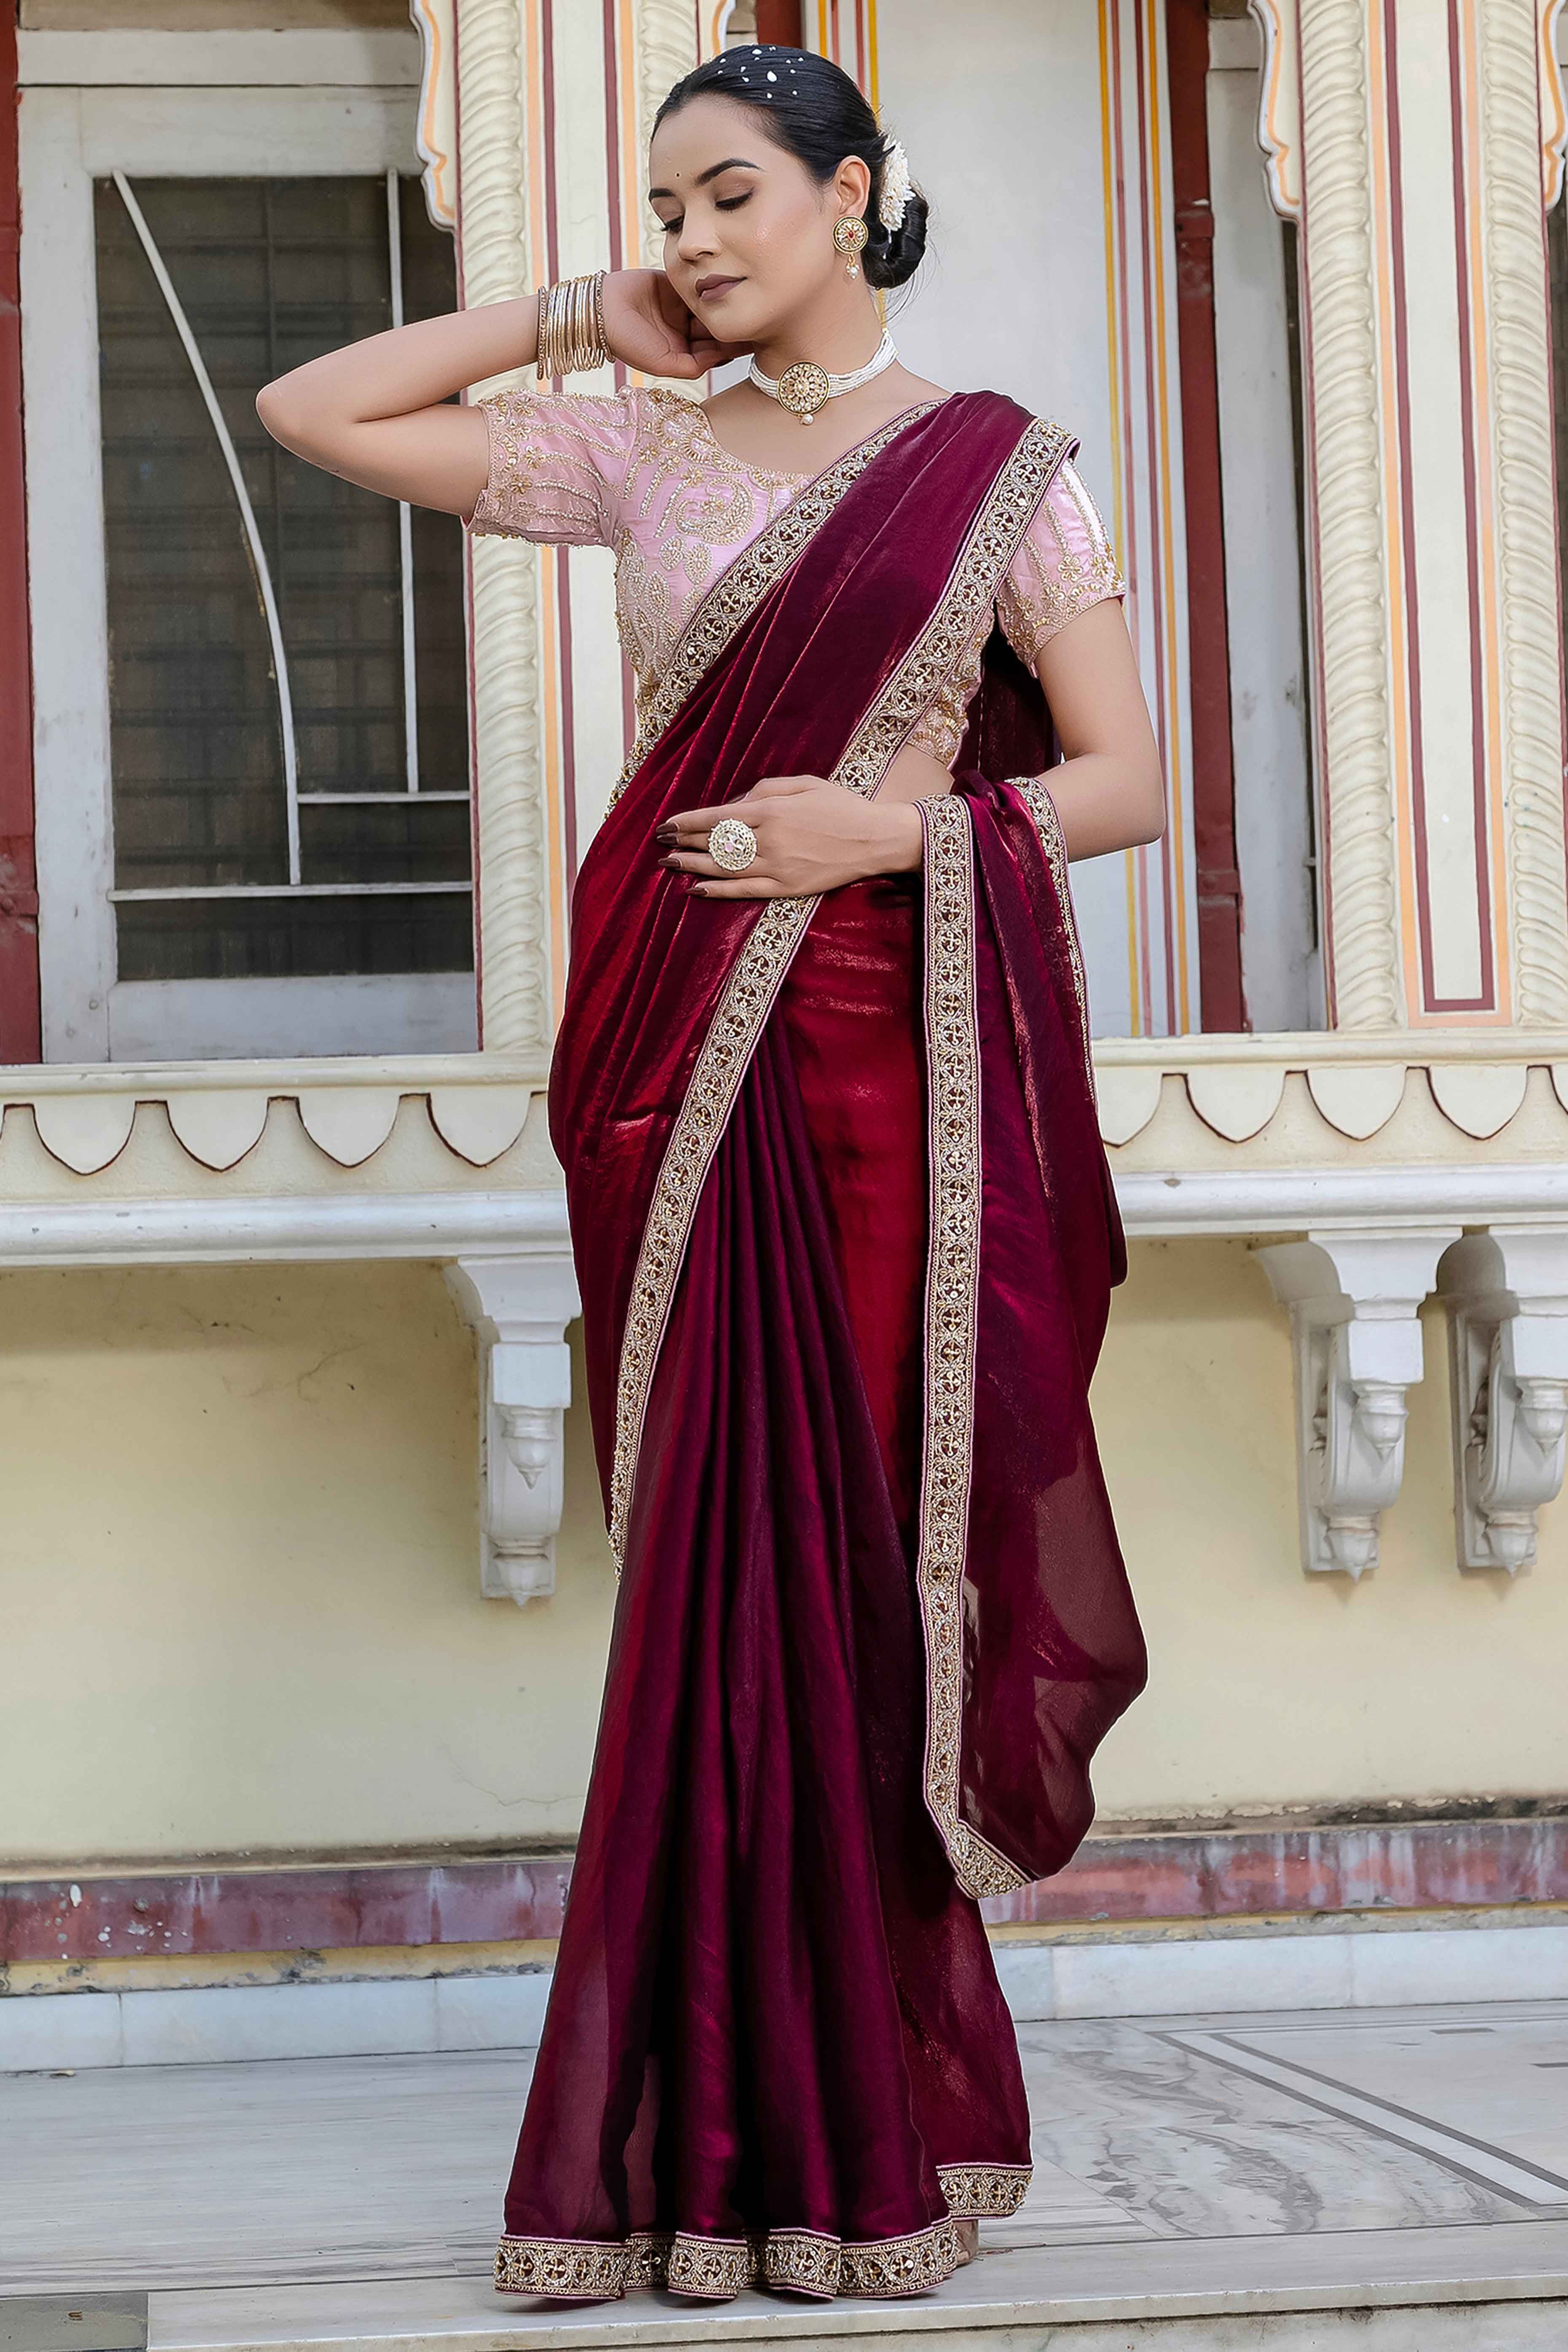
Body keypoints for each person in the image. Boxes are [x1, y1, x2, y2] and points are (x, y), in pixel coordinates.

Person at [258, 42, 1161, 2309]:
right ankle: (688, 2153)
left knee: (854, 1582)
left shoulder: (998, 472)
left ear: (851, 196)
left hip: (890, 1083)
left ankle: (867, 2145)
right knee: (707, 1597)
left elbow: (1137, 783)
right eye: (667, 202)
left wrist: (902, 831)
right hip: (672, 1065)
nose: (693, 234)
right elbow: (317, 411)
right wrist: (573, 307)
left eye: (731, 193)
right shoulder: (628, 447)